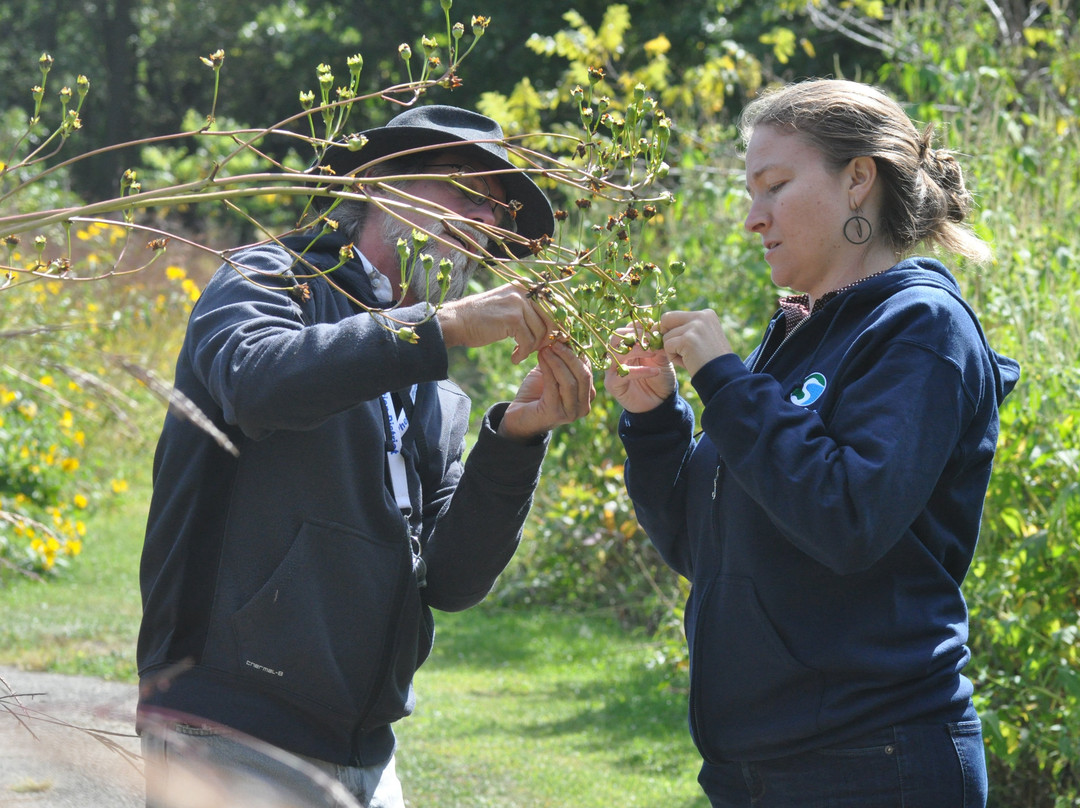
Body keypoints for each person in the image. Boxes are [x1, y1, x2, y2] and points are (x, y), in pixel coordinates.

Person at [136, 104, 595, 808]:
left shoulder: (435, 394)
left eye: (500, 212)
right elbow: (256, 383)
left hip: (364, 757)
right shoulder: (269, 276)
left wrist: (517, 438)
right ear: (379, 184)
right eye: (467, 191)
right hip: (228, 729)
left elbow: (451, 581)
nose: (490, 222)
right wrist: (436, 328)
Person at [604, 79, 1019, 807]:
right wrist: (655, 424)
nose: (751, 220)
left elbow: (846, 519)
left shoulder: (922, 329)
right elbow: (704, 548)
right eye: (749, 192)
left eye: (774, 186)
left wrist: (728, 384)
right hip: (759, 769)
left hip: (874, 762)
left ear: (858, 179)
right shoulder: (797, 335)